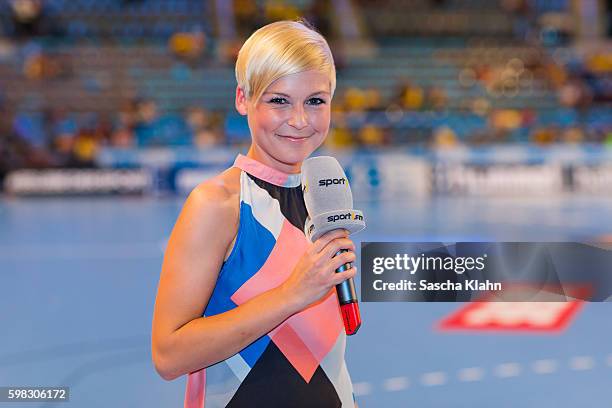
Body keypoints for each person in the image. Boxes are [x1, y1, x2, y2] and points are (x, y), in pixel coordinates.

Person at [152, 20, 359, 407]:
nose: (299, 120)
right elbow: (169, 355)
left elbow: (329, 356)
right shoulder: (216, 203)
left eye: (315, 101)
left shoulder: (322, 197)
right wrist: (292, 294)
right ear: (243, 99)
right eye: (279, 100)